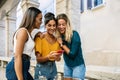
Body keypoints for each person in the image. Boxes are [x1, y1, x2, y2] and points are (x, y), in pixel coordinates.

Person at [5, 7, 42, 80]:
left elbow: (26, 48)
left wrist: (37, 34)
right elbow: (17, 56)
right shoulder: (23, 32)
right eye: (40, 19)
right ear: (33, 19)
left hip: (24, 67)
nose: (41, 22)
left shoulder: (28, 33)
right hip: (16, 69)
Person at [56, 13, 86, 80]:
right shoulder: (60, 37)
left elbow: (72, 54)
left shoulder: (75, 34)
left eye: (63, 24)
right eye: (59, 25)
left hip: (78, 66)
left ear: (67, 24)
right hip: (67, 65)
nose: (61, 27)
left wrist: (62, 44)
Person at [34, 12, 62, 80]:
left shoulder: (57, 40)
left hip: (53, 69)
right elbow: (38, 59)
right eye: (49, 25)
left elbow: (58, 59)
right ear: (45, 25)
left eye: (54, 25)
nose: (52, 28)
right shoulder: (40, 38)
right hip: (42, 70)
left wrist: (57, 58)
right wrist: (48, 57)